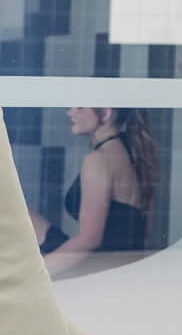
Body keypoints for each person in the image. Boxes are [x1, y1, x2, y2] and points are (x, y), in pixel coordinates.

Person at [30, 106, 157, 276]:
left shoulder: (99, 160)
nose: (70, 112)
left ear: (105, 113)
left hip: (97, 274)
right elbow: (145, 231)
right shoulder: (131, 155)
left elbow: (88, 240)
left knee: (11, 217)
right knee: (22, 217)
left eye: (80, 107)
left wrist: (33, 275)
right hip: (120, 270)